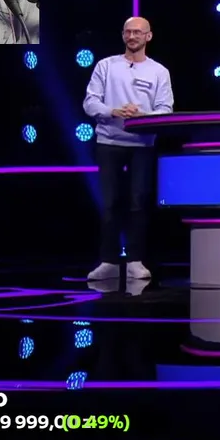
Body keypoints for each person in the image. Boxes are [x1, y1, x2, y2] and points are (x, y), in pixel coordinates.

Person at [82, 17, 174, 282]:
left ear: (148, 36)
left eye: (138, 32)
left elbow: (165, 109)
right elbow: (90, 103)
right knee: (110, 203)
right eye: (128, 32)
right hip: (109, 142)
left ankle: (135, 260)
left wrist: (142, 116)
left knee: (138, 202)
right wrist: (113, 111)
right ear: (123, 35)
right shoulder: (106, 66)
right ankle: (108, 261)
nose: (132, 36)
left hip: (142, 145)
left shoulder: (159, 71)